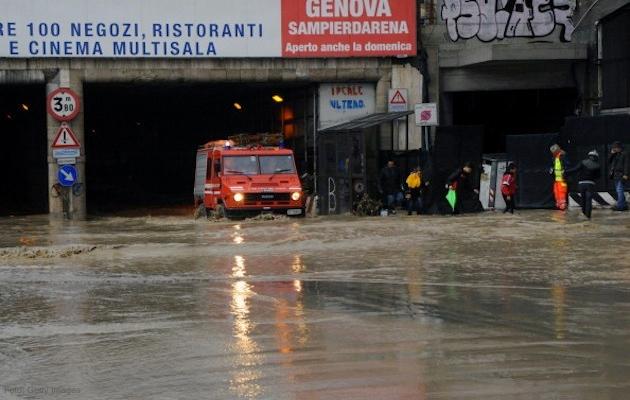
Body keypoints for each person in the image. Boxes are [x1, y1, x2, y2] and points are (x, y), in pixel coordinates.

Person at [566, 150, 601, 219]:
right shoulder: (598, 165)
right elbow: (598, 176)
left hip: (581, 184)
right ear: (596, 157)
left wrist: (565, 172)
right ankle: (588, 216)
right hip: (590, 184)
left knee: (583, 199)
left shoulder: (583, 162)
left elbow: (575, 169)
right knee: (588, 200)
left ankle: (583, 213)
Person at [608, 141, 629, 211]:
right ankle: (623, 205)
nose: (614, 149)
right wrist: (611, 154)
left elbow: (627, 164)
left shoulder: (625, 154)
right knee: (619, 190)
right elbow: (609, 161)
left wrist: (626, 174)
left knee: (619, 190)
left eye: (615, 148)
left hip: (621, 174)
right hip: (615, 175)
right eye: (614, 148)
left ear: (619, 147)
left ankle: (620, 206)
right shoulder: (615, 154)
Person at [549, 144, 569, 210]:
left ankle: (562, 205)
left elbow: (567, 165)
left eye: (553, 152)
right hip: (556, 179)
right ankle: (558, 205)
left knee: (562, 193)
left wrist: (565, 172)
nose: (552, 153)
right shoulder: (554, 157)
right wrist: (551, 170)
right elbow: (554, 166)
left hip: (562, 178)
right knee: (556, 192)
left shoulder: (563, 156)